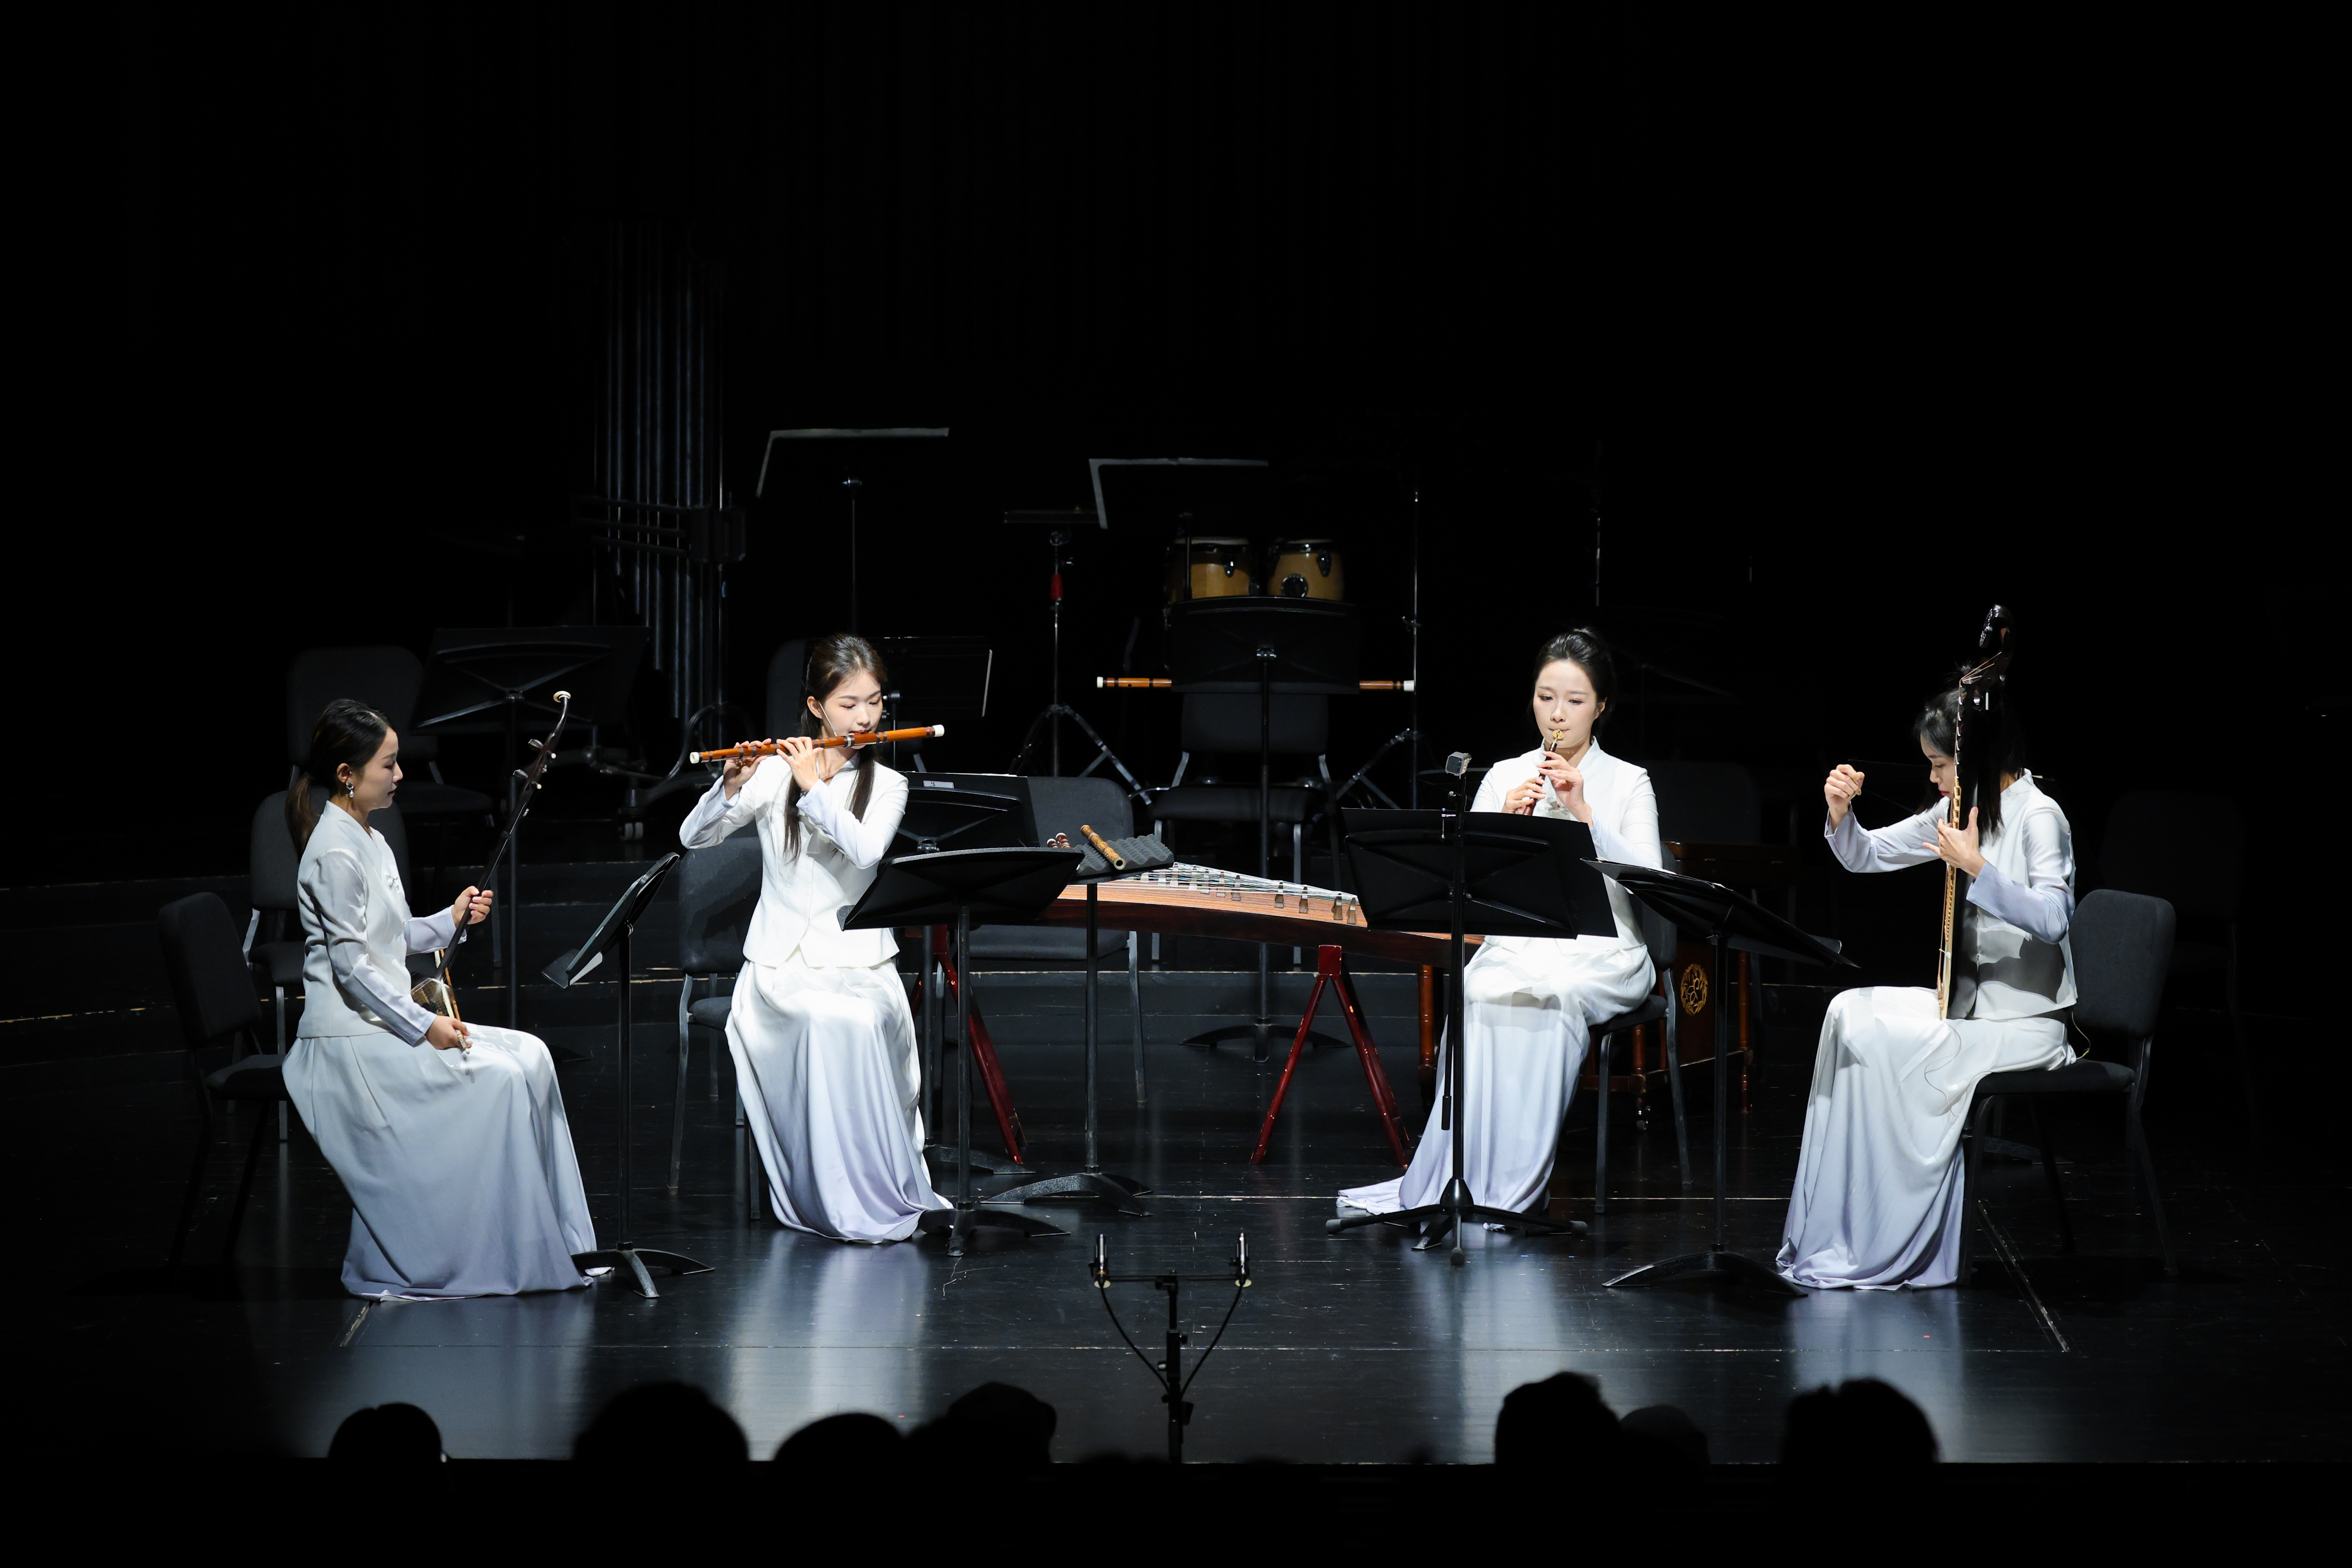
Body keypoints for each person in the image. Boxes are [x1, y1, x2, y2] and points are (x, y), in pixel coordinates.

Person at [1339, 629, 1661, 1220]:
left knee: (1553, 997)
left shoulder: (1628, 780)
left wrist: (1586, 813)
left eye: (1574, 701)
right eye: (1545, 698)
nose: (1557, 714)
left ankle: (1514, 1191)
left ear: (1601, 707)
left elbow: (1649, 879)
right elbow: (1469, 882)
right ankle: (1462, 1178)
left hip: (1603, 953)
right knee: (1479, 989)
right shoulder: (1506, 775)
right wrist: (1502, 826)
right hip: (1521, 944)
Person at [282, 699, 596, 1298]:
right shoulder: (334, 852)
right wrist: (425, 1026)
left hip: (383, 1022)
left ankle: (556, 1246)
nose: (401, 775)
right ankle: (501, 1254)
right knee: (502, 1078)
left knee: (532, 1056)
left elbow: (391, 937)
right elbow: (351, 969)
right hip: (349, 1041)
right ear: (347, 774)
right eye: (388, 765)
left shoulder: (370, 837)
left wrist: (449, 920)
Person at [1778, 682, 2076, 1289]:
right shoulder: (1958, 808)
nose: (1935, 780)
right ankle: (1845, 1229)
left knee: (1889, 1043)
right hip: (1971, 1012)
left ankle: (1902, 1239)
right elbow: (1867, 855)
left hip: (2027, 1025)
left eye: (1941, 765)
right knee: (1849, 1013)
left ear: (1976, 757)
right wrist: (1841, 815)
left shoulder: (2040, 816)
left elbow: (2055, 918)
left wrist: (1977, 868)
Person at [681, 634, 946, 1241]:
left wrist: (814, 788)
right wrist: (728, 785)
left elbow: (866, 851)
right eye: (849, 704)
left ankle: (875, 1188)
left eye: (874, 702)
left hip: (860, 964)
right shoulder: (774, 771)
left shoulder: (889, 785)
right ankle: (822, 1192)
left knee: (857, 1019)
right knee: (826, 1021)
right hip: (779, 969)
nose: (865, 717)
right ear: (816, 707)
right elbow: (694, 839)